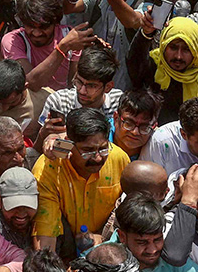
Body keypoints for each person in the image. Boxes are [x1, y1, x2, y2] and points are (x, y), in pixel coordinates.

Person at [32, 107, 129, 254]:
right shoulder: (47, 169)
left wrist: (103, 239)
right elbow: (46, 235)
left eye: (103, 149)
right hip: (66, 247)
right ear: (68, 144)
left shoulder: (119, 159)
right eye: (87, 150)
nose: (97, 158)